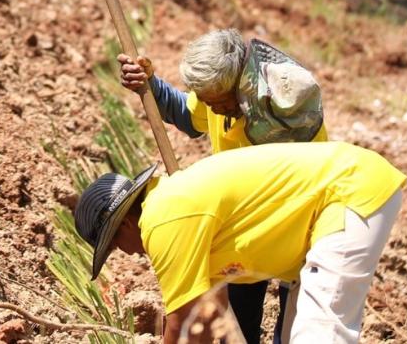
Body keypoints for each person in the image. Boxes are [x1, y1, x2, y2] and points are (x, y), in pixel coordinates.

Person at [74, 141, 406, 344]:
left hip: (348, 191)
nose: (130, 254)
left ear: (127, 223)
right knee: (295, 336)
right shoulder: (178, 207)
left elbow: (181, 325)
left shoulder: (163, 217)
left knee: (320, 330)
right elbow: (203, 317)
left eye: (118, 245)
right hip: (337, 197)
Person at [119, 29, 327, 343]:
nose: (214, 110)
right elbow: (187, 116)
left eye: (219, 103)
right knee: (241, 322)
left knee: (295, 325)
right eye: (208, 103)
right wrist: (149, 85)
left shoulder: (283, 114)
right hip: (244, 226)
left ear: (239, 86)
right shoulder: (221, 92)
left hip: (297, 224)